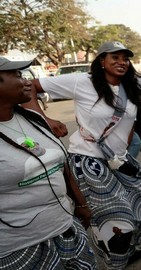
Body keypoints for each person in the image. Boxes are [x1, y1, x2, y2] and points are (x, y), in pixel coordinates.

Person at [23, 21, 141, 269]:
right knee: (118, 217)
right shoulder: (82, 81)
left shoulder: (133, 84)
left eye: (125, 58)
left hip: (119, 159)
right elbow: (31, 87)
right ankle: (114, 260)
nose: (121, 62)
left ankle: (126, 250)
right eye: (115, 57)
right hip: (88, 160)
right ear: (102, 61)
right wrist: (45, 119)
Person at [0, 57, 96, 269]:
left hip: (66, 228)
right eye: (17, 76)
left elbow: (62, 167)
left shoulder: (33, 118)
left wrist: (80, 204)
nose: (27, 82)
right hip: (20, 249)